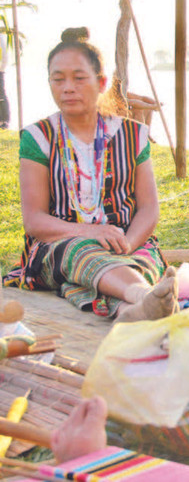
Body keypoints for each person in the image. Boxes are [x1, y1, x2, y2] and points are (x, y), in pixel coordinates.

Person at [2, 27, 178, 323]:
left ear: (101, 82)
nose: (67, 87)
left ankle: (129, 312)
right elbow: (35, 221)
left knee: (140, 262)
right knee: (82, 253)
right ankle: (142, 296)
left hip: (127, 241)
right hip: (58, 244)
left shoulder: (133, 134)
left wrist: (128, 244)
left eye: (79, 78)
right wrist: (91, 232)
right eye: (58, 79)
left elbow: (148, 208)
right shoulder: (39, 137)